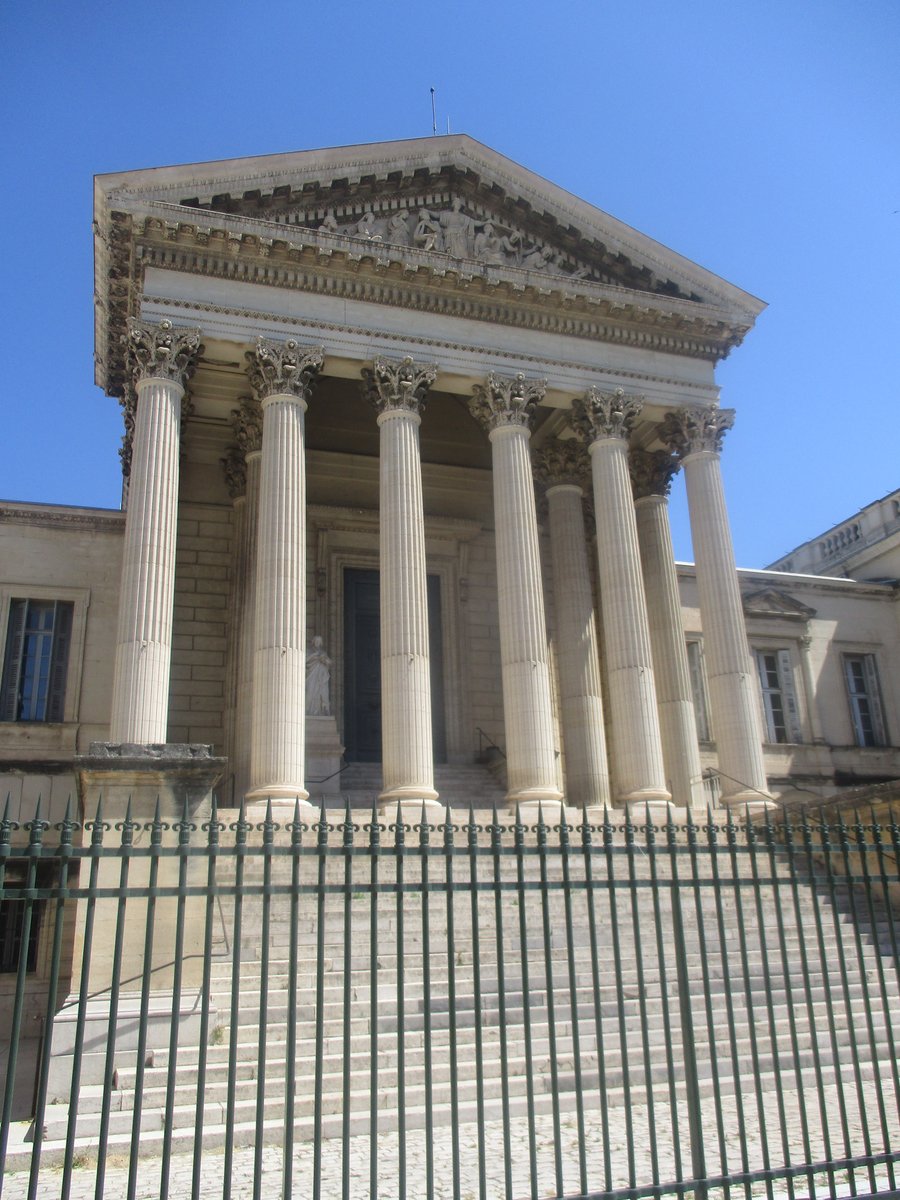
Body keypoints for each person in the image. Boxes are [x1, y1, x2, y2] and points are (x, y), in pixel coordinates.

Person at [305, 636, 332, 716]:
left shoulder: (323, 653)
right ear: (313, 642)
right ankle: (308, 710)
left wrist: (324, 659)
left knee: (322, 694)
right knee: (310, 692)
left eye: (319, 642)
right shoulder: (308, 652)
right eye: (316, 641)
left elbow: (330, 663)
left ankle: (321, 711)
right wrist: (315, 656)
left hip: (322, 677)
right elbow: (305, 660)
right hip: (311, 675)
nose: (317, 643)